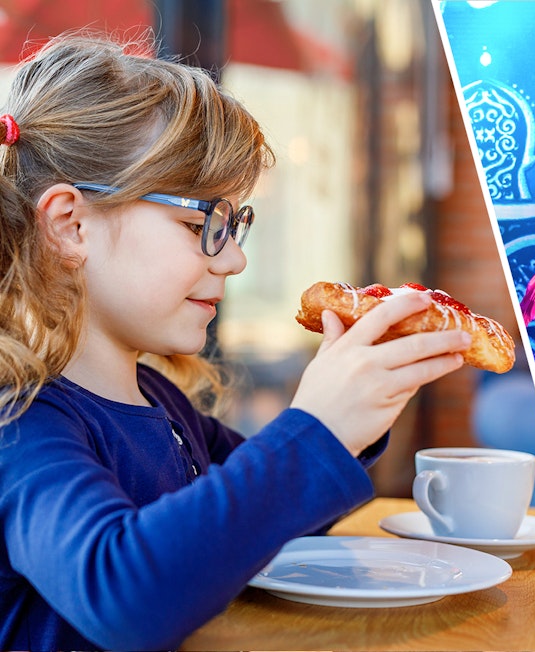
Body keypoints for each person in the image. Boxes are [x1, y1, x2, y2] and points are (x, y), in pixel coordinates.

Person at [0, 34, 471, 651]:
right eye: (201, 225)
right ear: (70, 225)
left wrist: (351, 417)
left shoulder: (158, 401)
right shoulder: (20, 424)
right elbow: (123, 592)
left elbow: (260, 521)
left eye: (236, 225)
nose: (238, 260)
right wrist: (316, 430)